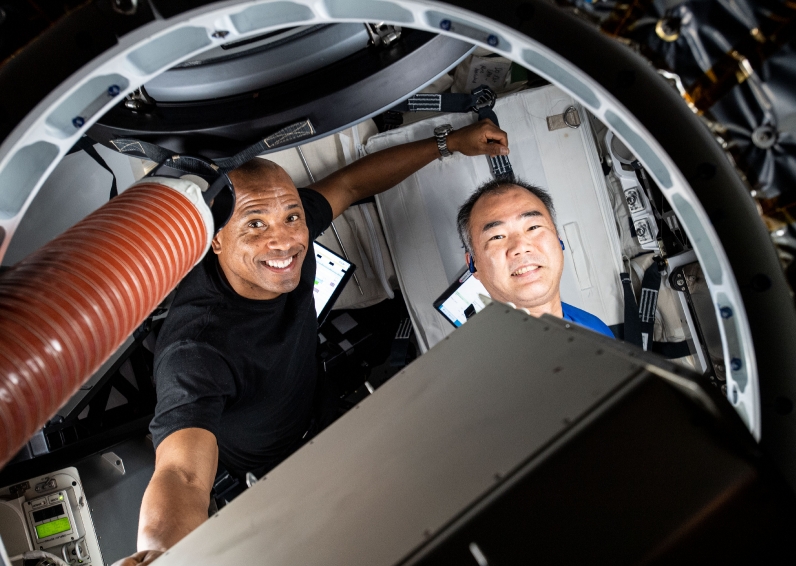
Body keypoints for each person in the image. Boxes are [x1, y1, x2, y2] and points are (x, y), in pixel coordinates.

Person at [116, 120, 509, 566]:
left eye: (292, 218)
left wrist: (449, 143)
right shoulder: (196, 350)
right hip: (278, 471)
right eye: (255, 225)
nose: (282, 239)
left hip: (320, 407)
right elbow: (182, 474)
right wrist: (159, 553)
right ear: (216, 240)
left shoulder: (284, 221)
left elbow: (351, 182)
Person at [456, 178, 614, 337]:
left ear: (559, 241)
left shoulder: (595, 329)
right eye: (497, 237)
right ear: (473, 264)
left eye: (533, 227)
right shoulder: (478, 359)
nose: (520, 246)